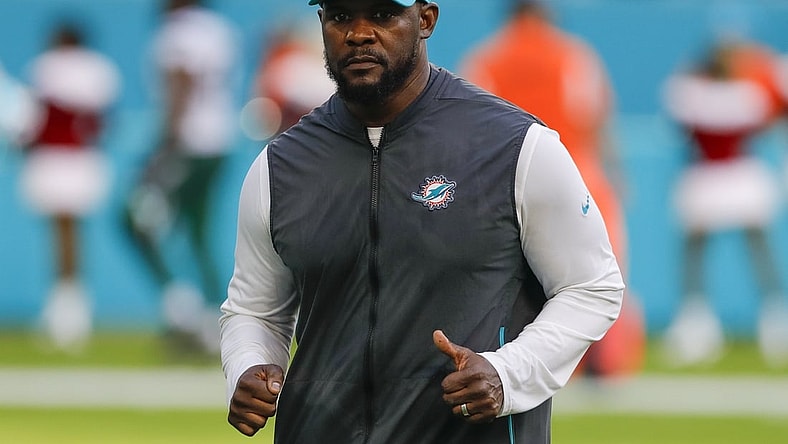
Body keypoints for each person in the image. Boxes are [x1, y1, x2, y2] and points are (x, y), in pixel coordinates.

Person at [219, 1, 624, 443]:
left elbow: (591, 287)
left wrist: (509, 374)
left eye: (381, 15)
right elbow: (254, 310)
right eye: (340, 16)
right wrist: (248, 365)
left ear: (425, 20)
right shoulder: (280, 166)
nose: (359, 33)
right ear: (321, 24)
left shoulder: (517, 146)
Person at [459, 0, 643, 377]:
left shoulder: (487, 57)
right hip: (577, 169)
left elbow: (469, 126)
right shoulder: (573, 54)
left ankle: (540, 362)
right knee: (597, 271)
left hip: (509, 175)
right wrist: (617, 172)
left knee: (522, 274)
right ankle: (604, 361)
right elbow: (596, 115)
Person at [662, 38, 788, 367]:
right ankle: (774, 322)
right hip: (742, 181)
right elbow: (771, 112)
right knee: (759, 254)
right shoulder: (750, 95)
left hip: (705, 182)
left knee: (696, 257)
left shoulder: (689, 94)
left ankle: (697, 326)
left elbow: (680, 126)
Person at [123, 0, 239, 353]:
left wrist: (166, 143)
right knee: (198, 233)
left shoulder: (178, 31)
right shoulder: (219, 29)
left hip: (186, 144)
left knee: (133, 218)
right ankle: (214, 321)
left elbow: (181, 83)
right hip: (219, 142)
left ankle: (183, 310)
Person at [18, 22, 120, 351]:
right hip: (82, 159)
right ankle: (67, 308)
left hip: (58, 161)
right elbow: (103, 122)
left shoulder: (48, 67)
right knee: (68, 234)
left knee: (63, 234)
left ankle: (68, 312)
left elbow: (36, 121)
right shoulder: (100, 71)